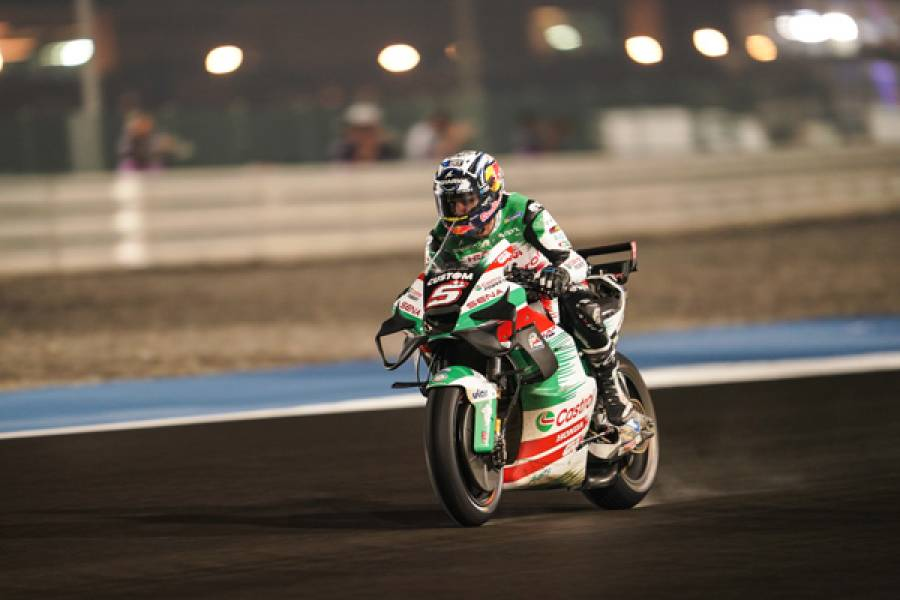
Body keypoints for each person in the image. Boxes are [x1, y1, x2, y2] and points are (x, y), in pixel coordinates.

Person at [425, 150, 654, 451]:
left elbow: (572, 259)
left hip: (541, 295)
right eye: (449, 203)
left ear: (489, 193)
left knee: (580, 302)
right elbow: (435, 282)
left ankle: (613, 395)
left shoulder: (524, 211)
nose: (457, 211)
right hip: (487, 304)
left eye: (464, 201)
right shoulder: (440, 237)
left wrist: (559, 274)